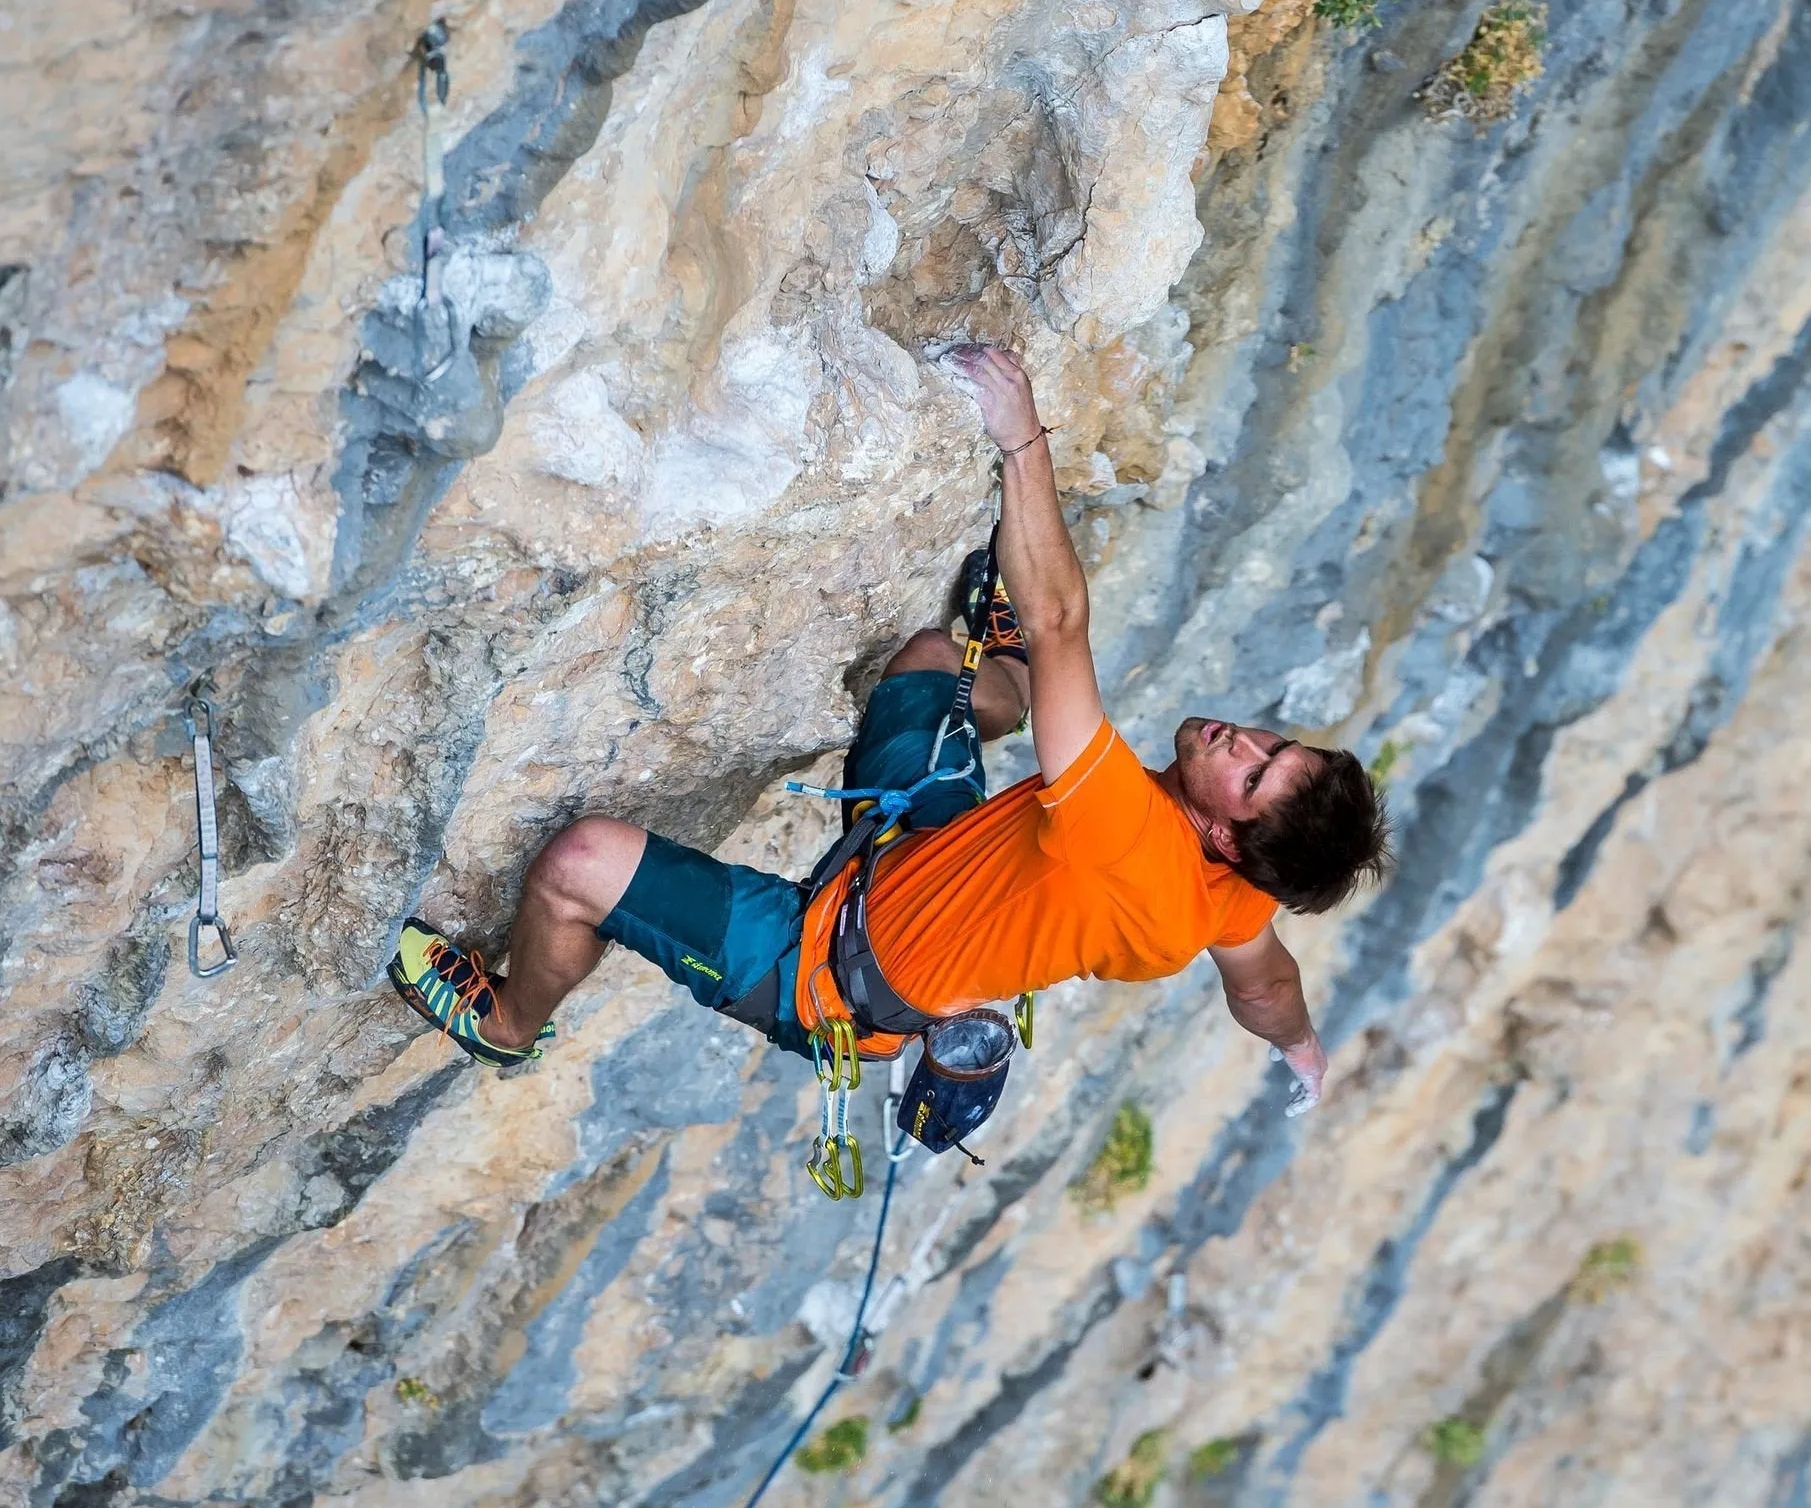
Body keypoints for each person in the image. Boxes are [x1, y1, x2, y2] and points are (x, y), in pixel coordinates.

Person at [388, 345, 1390, 1118]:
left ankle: (510, 1020)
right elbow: (1266, 983)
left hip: (816, 974)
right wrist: (1302, 1049)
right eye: (1273, 743)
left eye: (1251, 775)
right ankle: (1003, 681)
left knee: (580, 860)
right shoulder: (1231, 891)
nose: (1238, 740)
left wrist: (1020, 437)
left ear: (1223, 836)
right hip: (914, 847)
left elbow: (1062, 621)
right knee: (924, 659)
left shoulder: (1132, 840)